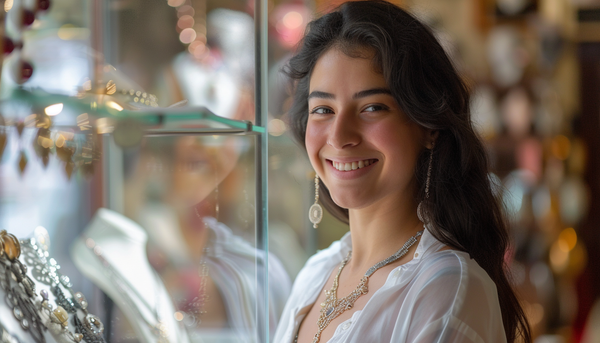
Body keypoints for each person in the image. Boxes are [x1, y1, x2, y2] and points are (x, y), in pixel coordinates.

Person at [274, 1, 532, 343]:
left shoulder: (446, 291)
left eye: (372, 108)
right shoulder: (316, 274)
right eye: (323, 109)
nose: (339, 136)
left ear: (428, 127)